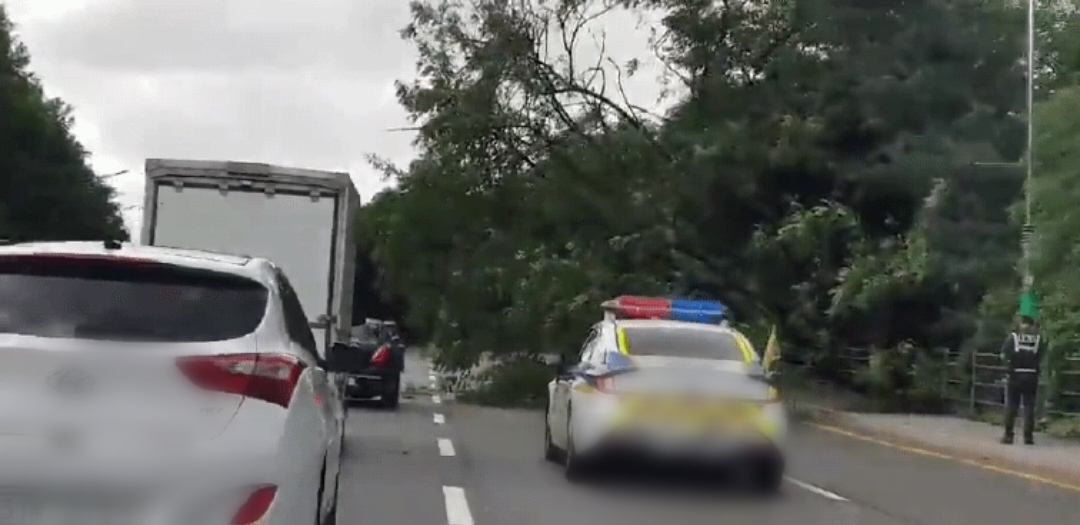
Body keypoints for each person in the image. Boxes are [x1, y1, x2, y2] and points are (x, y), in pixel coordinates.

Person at [998, 315, 1048, 445]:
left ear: (1021, 324)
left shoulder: (1013, 337)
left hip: (1015, 374)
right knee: (1030, 406)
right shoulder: (1038, 339)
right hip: (1032, 375)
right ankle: (1028, 436)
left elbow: (1003, 355)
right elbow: (1042, 356)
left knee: (1012, 406)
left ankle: (1008, 436)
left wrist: (1008, 366)